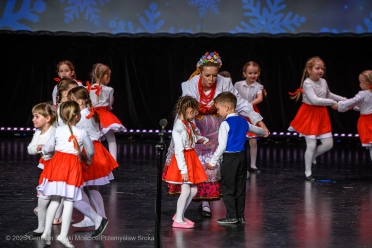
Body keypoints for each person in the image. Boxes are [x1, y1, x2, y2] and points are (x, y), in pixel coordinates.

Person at [163, 51, 269, 217]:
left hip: (215, 128)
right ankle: (189, 208)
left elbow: (238, 103)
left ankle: (206, 203)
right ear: (200, 71)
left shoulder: (224, 83)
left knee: (210, 165)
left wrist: (258, 120)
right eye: (207, 75)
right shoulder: (189, 85)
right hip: (195, 126)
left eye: (214, 75)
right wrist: (185, 129)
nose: (211, 79)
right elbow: (186, 109)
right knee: (196, 163)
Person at [206, 92, 265, 224]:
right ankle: (240, 216)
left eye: (219, 109)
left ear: (226, 108)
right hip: (242, 157)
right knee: (240, 187)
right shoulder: (243, 121)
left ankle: (232, 216)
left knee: (228, 187)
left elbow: (222, 146)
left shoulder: (225, 124)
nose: (218, 112)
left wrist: (212, 161)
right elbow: (256, 129)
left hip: (229, 158)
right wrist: (264, 132)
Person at [288, 56, 346, 181]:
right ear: (309, 70)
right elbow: (314, 100)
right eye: (317, 68)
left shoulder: (323, 81)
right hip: (309, 114)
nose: (320, 71)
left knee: (328, 143)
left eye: (322, 69)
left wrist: (344, 100)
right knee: (311, 144)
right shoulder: (307, 83)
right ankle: (308, 172)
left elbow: (328, 94)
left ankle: (313, 156)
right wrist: (332, 103)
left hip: (322, 114)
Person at [68, 86, 118, 228]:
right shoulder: (91, 112)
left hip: (87, 151)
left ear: (80, 102)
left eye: (72, 101)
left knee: (80, 187)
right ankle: (99, 217)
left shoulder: (82, 117)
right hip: (96, 150)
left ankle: (94, 217)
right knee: (92, 188)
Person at [164, 96, 209, 228]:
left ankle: (180, 214)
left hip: (190, 157)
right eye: (195, 112)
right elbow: (178, 150)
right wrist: (183, 170)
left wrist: (200, 139)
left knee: (193, 190)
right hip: (184, 160)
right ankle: (178, 220)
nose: (196, 115)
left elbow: (191, 137)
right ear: (189, 110)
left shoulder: (187, 124)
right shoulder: (179, 128)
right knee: (185, 190)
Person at [25, 102, 56, 239]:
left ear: (48, 118)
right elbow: (30, 149)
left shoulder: (55, 131)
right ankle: (41, 228)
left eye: (37, 116)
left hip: (58, 168)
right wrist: (38, 148)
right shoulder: (38, 132)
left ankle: (96, 219)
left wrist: (44, 149)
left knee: (66, 199)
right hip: (47, 169)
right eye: (33, 116)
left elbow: (53, 150)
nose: (33, 119)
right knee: (43, 200)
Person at [87, 63, 126, 161]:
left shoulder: (87, 88)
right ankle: (113, 160)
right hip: (104, 115)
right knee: (111, 139)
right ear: (105, 76)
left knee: (95, 138)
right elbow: (109, 104)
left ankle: (95, 159)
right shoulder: (109, 89)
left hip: (91, 114)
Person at [234, 61, 267, 173]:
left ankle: (253, 165)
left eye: (255, 73)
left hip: (252, 112)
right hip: (239, 113)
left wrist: (249, 105)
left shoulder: (258, 86)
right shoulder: (238, 84)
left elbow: (260, 98)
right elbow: (234, 96)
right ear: (244, 74)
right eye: (250, 73)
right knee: (240, 139)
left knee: (253, 141)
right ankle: (239, 164)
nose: (253, 75)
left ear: (258, 73)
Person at [333, 70, 372, 160]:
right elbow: (360, 107)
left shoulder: (362, 94)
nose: (359, 84)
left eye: (360, 82)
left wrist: (339, 106)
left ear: (366, 83)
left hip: (367, 122)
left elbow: (352, 102)